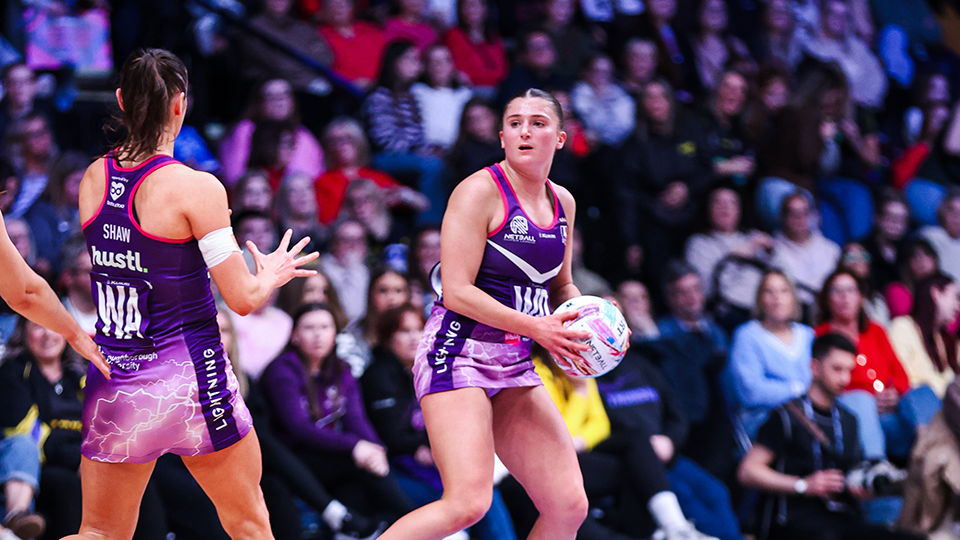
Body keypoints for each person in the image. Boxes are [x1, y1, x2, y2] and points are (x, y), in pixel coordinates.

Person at [70, 48, 318, 540]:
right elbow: (243, 299)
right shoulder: (196, 188)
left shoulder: (94, 178)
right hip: (191, 384)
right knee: (249, 525)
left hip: (117, 380)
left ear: (120, 101)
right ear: (180, 105)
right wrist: (271, 272)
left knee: (98, 533)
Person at [374, 88, 591, 540]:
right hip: (456, 354)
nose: (525, 131)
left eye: (537, 122)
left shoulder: (563, 202)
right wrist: (539, 328)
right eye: (515, 123)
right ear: (502, 136)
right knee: (468, 503)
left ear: (561, 138)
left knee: (568, 505)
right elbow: (455, 291)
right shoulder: (478, 191)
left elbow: (560, 285)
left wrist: (594, 319)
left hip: (512, 361)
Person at [737, 333, 924, 540]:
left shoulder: (849, 419)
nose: (844, 378)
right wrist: (803, 485)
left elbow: (850, 473)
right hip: (793, 521)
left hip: (842, 520)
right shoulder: (786, 416)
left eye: (849, 371)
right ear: (815, 368)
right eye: (837, 369)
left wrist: (859, 487)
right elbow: (748, 471)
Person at [361, 303, 517, 540]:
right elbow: (391, 435)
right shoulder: (377, 375)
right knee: (475, 497)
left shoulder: (432, 366)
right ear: (387, 338)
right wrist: (421, 447)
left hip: (433, 459)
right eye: (404, 331)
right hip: (395, 468)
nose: (414, 337)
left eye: (418, 329)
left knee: (482, 492)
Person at [259, 303, 416, 521]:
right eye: (309, 328)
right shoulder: (282, 371)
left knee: (362, 480)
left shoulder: (341, 369)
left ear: (335, 334)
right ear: (294, 335)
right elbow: (299, 428)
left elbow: (356, 418)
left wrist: (375, 448)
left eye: (325, 327)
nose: (318, 335)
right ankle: (416, 523)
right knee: (356, 463)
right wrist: (355, 446)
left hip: (329, 454)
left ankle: (371, 531)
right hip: (294, 460)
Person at [815, 269, 938, 460]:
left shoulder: (875, 331)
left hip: (895, 415)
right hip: (859, 419)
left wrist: (894, 394)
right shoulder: (821, 335)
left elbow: (900, 374)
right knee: (862, 400)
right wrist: (873, 399)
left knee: (922, 391)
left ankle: (932, 448)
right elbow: (826, 385)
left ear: (861, 297)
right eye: (836, 291)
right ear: (827, 299)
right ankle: (876, 467)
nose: (844, 297)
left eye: (850, 290)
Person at [725, 269, 816, 440]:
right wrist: (798, 389)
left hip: (811, 418)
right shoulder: (747, 335)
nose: (777, 298)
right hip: (764, 423)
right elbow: (750, 391)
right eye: (769, 292)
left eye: (784, 291)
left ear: (793, 298)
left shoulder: (808, 335)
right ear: (760, 299)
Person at [889, 273, 960, 398]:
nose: (958, 307)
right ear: (936, 293)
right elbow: (898, 379)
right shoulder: (903, 327)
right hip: (919, 405)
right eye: (956, 297)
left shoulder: (946, 337)